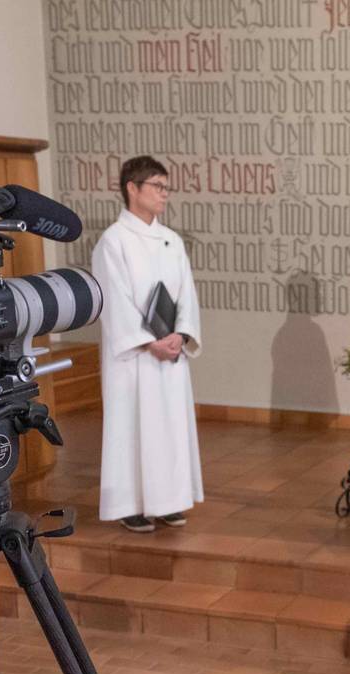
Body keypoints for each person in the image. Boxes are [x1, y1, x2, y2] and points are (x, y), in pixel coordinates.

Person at [92, 155, 204, 533]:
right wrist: (147, 342)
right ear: (132, 189)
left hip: (170, 355)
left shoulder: (171, 241)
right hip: (135, 359)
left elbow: (186, 292)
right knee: (134, 428)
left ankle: (169, 500)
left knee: (169, 428)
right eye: (157, 186)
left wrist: (181, 333)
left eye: (165, 187)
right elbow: (114, 299)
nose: (164, 194)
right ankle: (132, 504)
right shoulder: (114, 241)